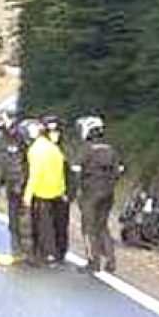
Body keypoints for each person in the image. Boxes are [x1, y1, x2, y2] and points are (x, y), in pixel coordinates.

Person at [73, 115, 124, 273]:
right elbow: (119, 172)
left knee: (88, 228)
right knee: (102, 226)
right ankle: (110, 261)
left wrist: (75, 191)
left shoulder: (86, 150)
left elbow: (76, 172)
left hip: (90, 194)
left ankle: (93, 262)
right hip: (108, 194)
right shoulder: (111, 150)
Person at [22, 119, 66, 266]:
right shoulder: (54, 148)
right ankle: (59, 253)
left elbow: (35, 173)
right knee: (57, 225)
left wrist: (28, 194)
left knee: (43, 226)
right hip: (57, 190)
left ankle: (48, 255)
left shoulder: (35, 150)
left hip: (42, 192)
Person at [0, 114, 28, 255]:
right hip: (11, 184)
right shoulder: (3, 141)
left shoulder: (20, 137)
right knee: (13, 221)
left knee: (25, 219)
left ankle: (28, 250)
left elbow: (26, 162)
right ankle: (17, 250)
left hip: (23, 183)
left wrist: (22, 181)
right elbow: (6, 166)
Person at [41, 114, 72, 261]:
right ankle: (49, 251)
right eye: (51, 132)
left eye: (56, 132)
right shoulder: (41, 149)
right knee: (46, 223)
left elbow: (70, 174)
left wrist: (69, 193)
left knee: (61, 223)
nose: (54, 135)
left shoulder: (65, 151)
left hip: (61, 193)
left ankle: (60, 251)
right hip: (44, 191)